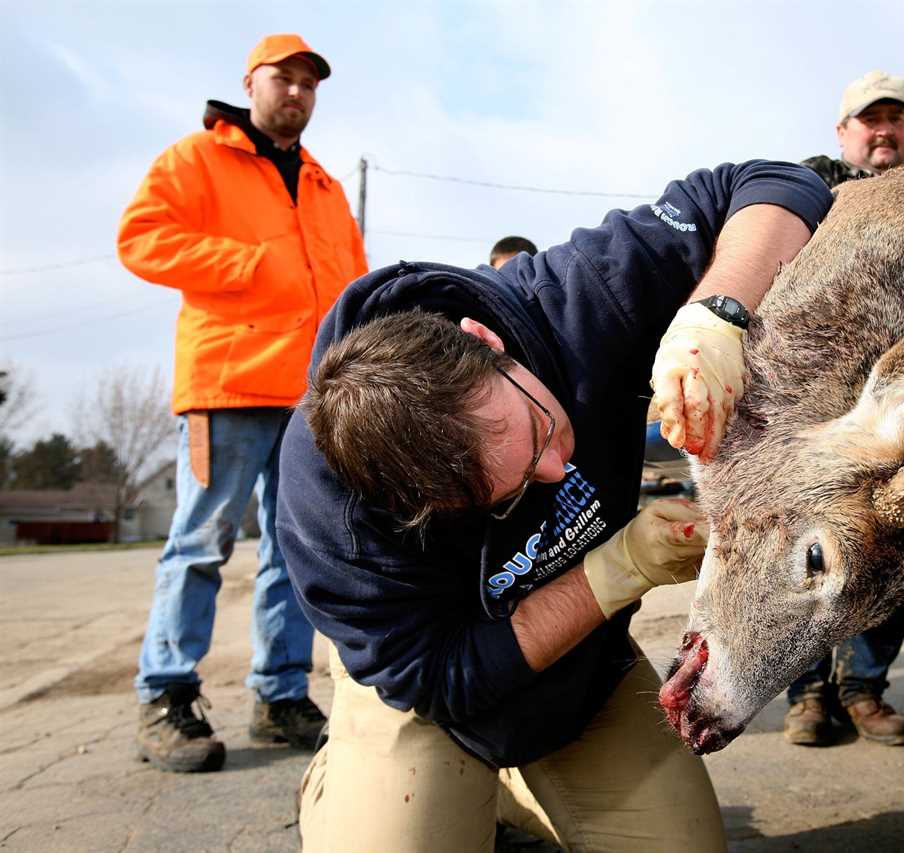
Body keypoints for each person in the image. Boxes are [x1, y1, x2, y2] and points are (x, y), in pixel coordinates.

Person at [277, 161, 830, 851]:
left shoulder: (572, 299)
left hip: (577, 673)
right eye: (502, 492)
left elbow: (770, 182)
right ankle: (350, 784)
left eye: (539, 428)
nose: (556, 467)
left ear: (485, 341)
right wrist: (619, 569)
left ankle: (515, 791)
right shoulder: (332, 510)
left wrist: (712, 318)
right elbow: (440, 677)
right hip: (433, 709)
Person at [117, 34, 368, 773]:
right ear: (250, 84)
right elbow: (140, 238)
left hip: (308, 396)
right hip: (228, 381)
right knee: (200, 542)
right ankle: (166, 694)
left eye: (308, 85)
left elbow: (351, 285)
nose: (296, 93)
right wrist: (249, 262)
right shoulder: (196, 161)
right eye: (282, 79)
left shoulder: (323, 185)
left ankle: (280, 691)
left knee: (294, 551)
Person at [782, 69, 904, 749]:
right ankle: (807, 693)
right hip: (816, 406)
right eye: (872, 119)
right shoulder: (811, 187)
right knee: (802, 555)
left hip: (897, 413)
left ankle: (864, 689)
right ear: (845, 133)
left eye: (896, 117)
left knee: (894, 549)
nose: (884, 129)